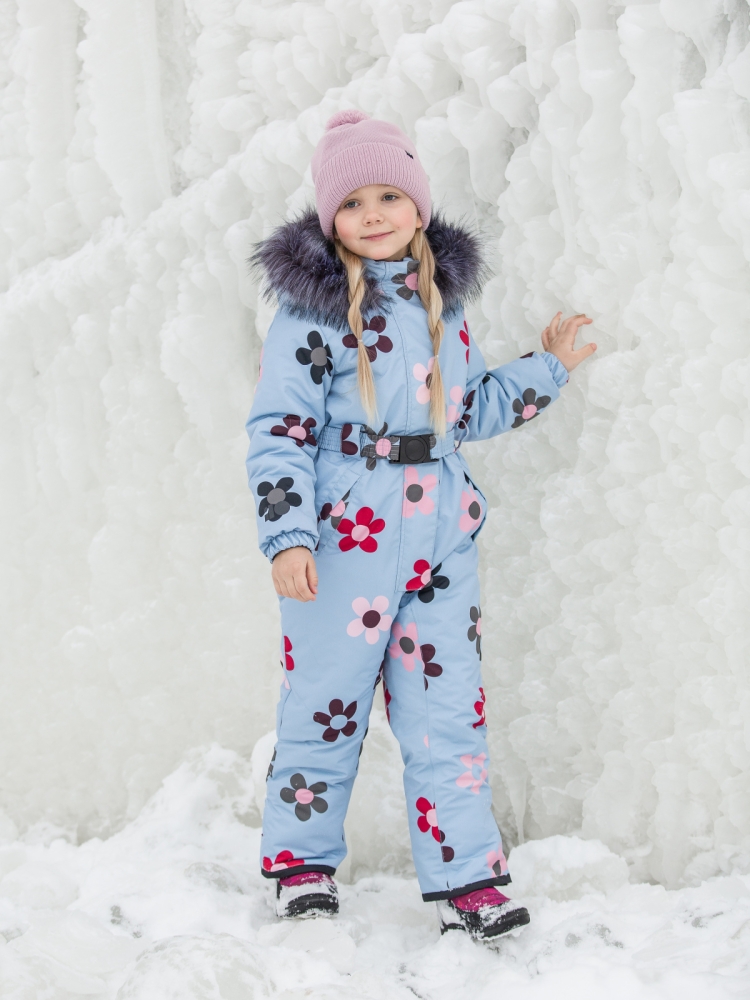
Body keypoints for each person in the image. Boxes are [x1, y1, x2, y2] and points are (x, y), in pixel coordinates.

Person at [245, 109, 595, 943]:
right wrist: (288, 537)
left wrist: (550, 369)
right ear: (330, 217)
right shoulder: (312, 314)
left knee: (448, 714)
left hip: (440, 539)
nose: (374, 215)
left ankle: (466, 880)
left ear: (418, 205)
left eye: (389, 196)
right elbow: (279, 431)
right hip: (344, 543)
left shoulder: (442, 302)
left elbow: (468, 411)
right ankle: (300, 866)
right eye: (353, 202)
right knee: (325, 706)